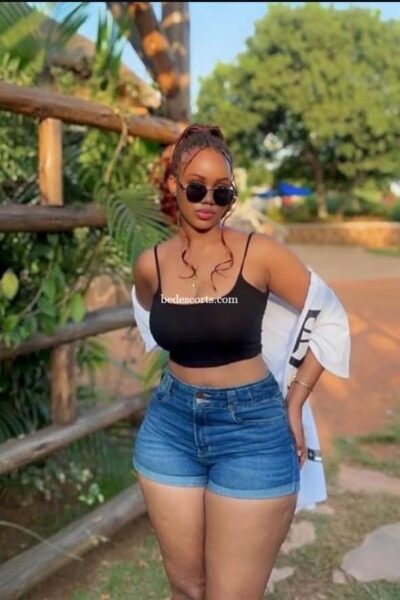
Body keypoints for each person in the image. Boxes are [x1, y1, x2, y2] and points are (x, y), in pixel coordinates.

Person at [132, 124, 328, 600]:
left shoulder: (260, 253)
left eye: (222, 192)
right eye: (196, 187)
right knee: (187, 589)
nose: (208, 201)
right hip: (170, 427)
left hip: (253, 432)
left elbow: (327, 314)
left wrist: (295, 401)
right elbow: (148, 319)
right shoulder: (149, 264)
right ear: (174, 185)